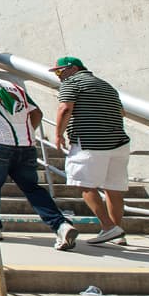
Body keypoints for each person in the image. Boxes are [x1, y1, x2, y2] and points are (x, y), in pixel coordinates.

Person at [0, 63, 78, 250]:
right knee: (32, 188)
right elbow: (37, 113)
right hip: (26, 145)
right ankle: (61, 225)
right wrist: (27, 133)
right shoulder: (14, 86)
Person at [51, 56, 131, 245]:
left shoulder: (71, 82)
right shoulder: (106, 86)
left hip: (89, 142)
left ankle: (108, 227)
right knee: (114, 188)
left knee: (84, 184)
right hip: (118, 142)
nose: (58, 75)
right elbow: (122, 113)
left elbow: (65, 108)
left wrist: (59, 134)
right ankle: (116, 233)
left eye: (59, 71)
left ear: (73, 68)